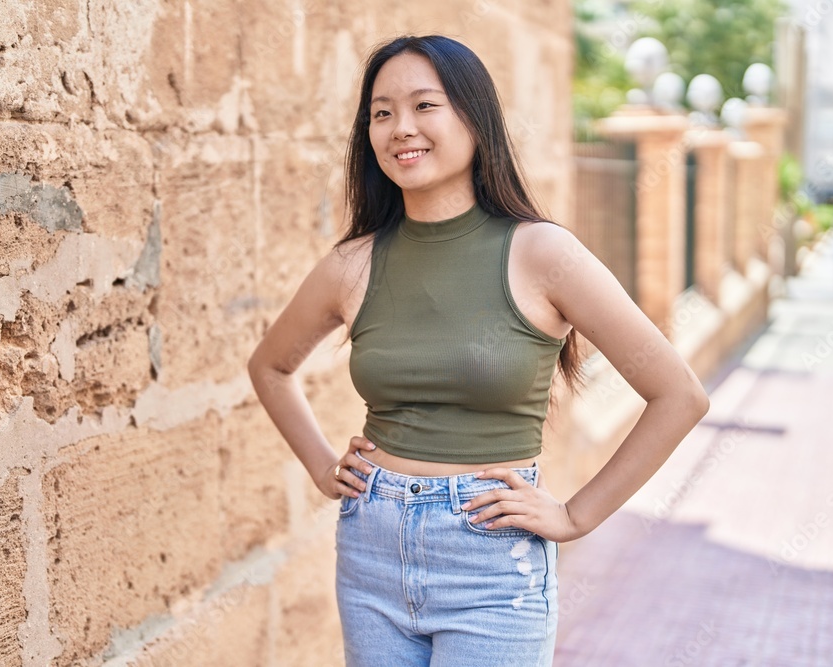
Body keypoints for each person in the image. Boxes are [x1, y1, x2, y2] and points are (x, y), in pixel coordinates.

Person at [247, 33, 710, 667]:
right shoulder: (351, 265)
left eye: (424, 106)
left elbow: (679, 395)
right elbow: (270, 367)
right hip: (371, 552)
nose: (400, 128)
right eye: (381, 113)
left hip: (491, 562)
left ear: (474, 117)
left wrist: (576, 515)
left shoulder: (543, 253)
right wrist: (323, 466)